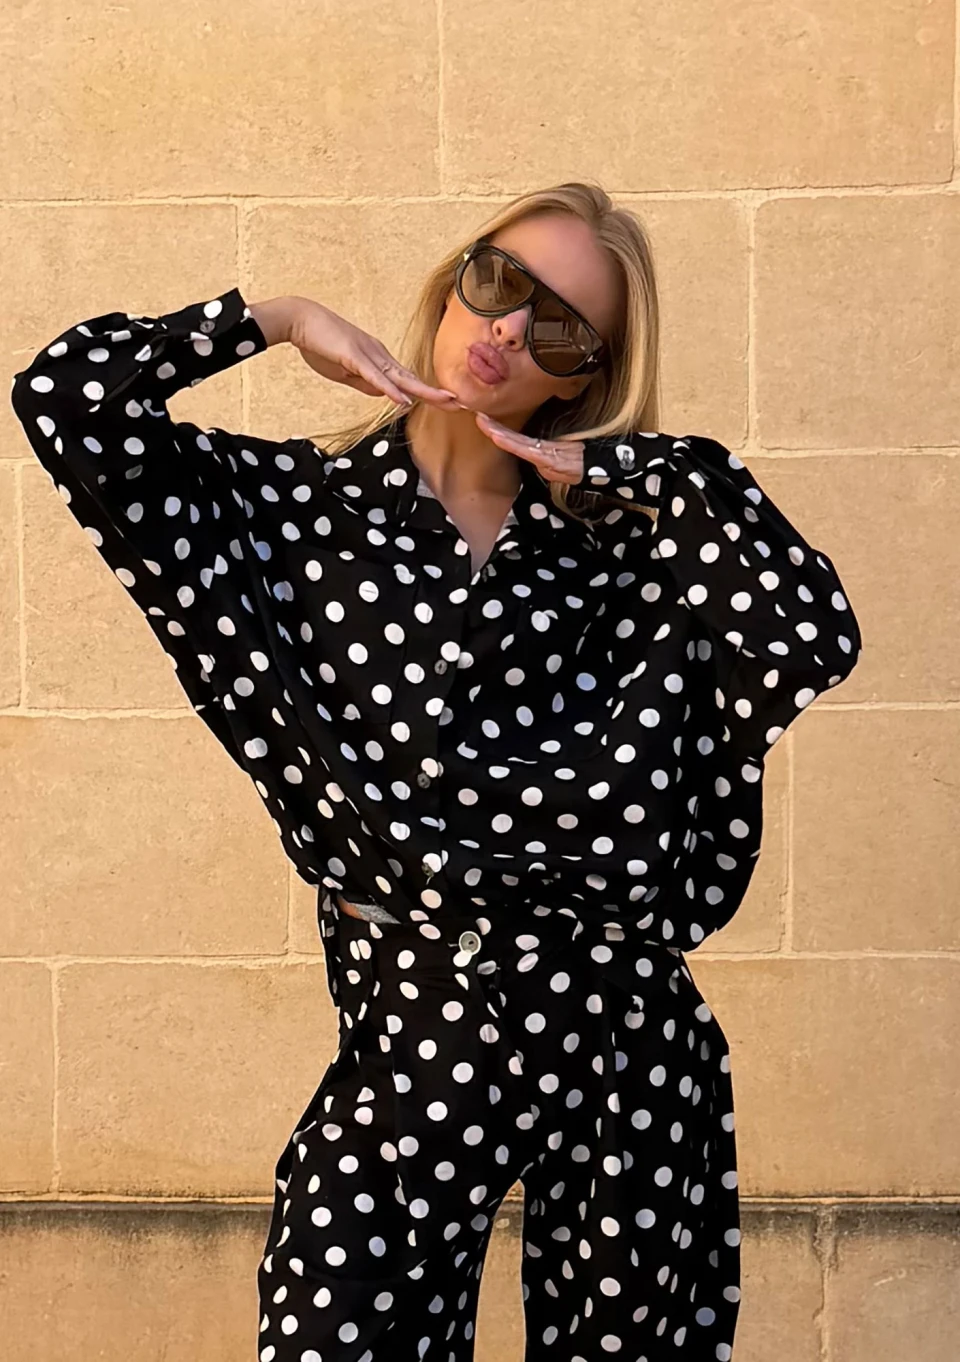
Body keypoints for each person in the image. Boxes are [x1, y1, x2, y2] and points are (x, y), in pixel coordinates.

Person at [10, 180, 862, 1361]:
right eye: (497, 281)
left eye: (560, 329)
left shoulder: (628, 555)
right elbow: (68, 400)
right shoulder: (295, 517)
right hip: (412, 1029)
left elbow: (809, 633)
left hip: (623, 1040)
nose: (508, 327)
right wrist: (277, 317)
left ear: (583, 376)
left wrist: (634, 473)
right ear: (454, 280)